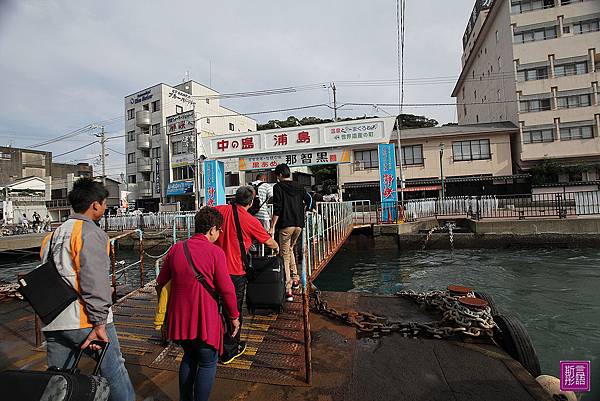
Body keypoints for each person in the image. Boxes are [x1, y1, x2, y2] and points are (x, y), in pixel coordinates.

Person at [39, 178, 134, 401]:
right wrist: (100, 321)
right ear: (95, 205)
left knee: (59, 381)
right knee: (113, 371)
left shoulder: (52, 236)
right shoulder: (90, 233)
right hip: (85, 319)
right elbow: (94, 280)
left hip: (53, 320)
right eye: (103, 204)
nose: (104, 208)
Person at [156, 207, 240, 401]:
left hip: (180, 319)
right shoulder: (215, 253)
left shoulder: (177, 248)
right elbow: (227, 290)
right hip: (205, 319)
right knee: (208, 362)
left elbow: (161, 283)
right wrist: (234, 317)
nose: (219, 234)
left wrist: (164, 313)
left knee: (189, 357)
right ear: (212, 229)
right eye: (219, 230)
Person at [214, 186, 279, 364]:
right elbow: (269, 242)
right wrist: (278, 248)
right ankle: (230, 350)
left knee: (214, 308)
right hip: (235, 273)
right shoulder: (251, 221)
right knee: (233, 311)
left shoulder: (219, 211)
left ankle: (213, 342)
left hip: (213, 270)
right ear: (250, 202)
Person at [269, 164, 312, 302]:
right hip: (299, 225)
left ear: (280, 175)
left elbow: (278, 208)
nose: (277, 178)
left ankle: (288, 289)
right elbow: (309, 200)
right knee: (291, 249)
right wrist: (304, 210)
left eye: (277, 175)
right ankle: (295, 279)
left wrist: (272, 226)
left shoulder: (278, 187)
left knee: (284, 256)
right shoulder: (299, 186)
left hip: (285, 226)